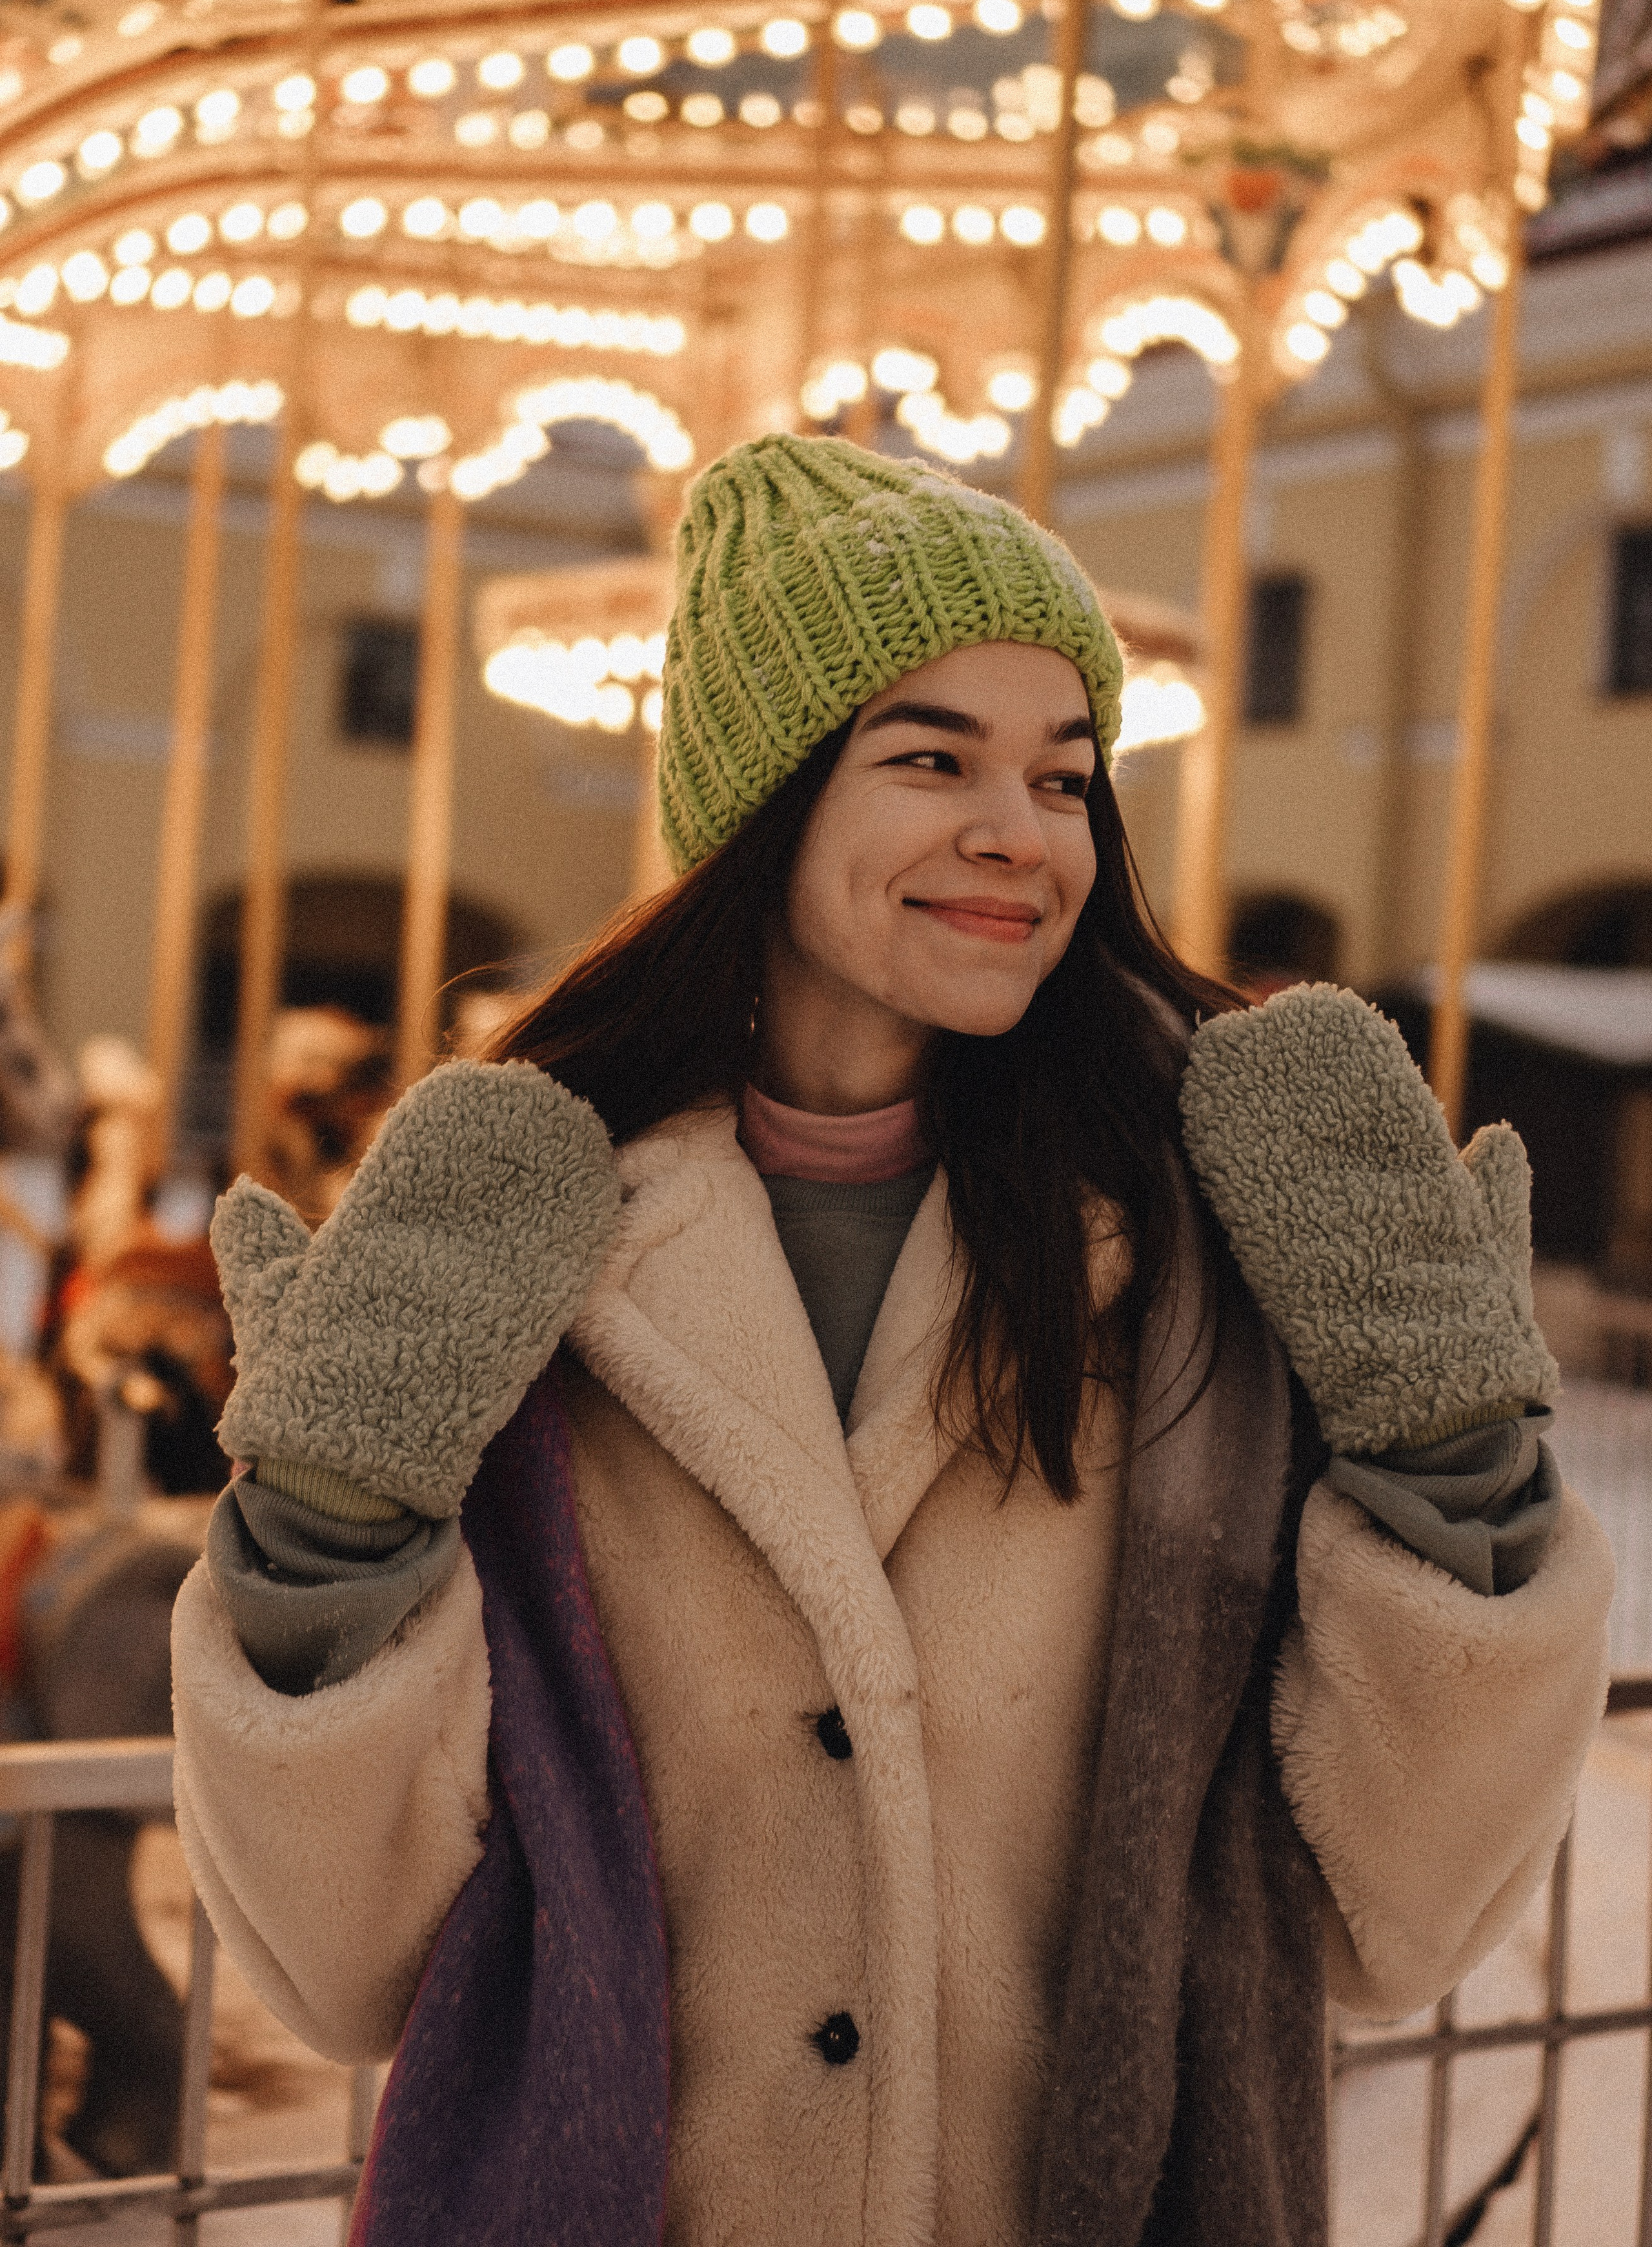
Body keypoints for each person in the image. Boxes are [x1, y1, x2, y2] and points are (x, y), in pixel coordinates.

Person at [171, 435, 1613, 2247]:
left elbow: (1384, 1921)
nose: (1021, 831)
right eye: (931, 759)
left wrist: (1452, 1469)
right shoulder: (512, 1251)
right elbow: (344, 1969)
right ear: (767, 802)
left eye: (1066, 777)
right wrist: (330, 1531)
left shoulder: (1199, 1254)